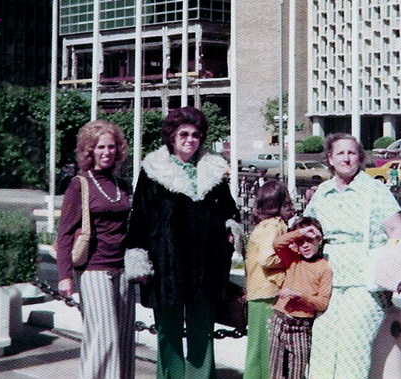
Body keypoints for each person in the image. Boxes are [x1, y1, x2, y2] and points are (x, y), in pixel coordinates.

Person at [124, 106, 240, 379]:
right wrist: (138, 258)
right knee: (168, 333)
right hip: (167, 266)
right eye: (184, 134)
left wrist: (229, 235)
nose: (190, 139)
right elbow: (139, 217)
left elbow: (230, 210)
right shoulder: (153, 170)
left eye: (196, 135)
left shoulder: (214, 169)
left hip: (206, 265)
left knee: (203, 331)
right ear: (171, 137)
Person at [303, 133, 401, 379]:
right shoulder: (323, 192)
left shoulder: (375, 190)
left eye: (352, 153)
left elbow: (397, 230)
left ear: (360, 157)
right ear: (330, 158)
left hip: (366, 281)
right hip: (329, 280)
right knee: (323, 343)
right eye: (340, 153)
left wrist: (399, 273)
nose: (346, 158)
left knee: (353, 344)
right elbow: (308, 228)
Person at [56, 120, 135, 379]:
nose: (106, 152)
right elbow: (65, 232)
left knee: (123, 339)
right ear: (89, 151)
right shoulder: (80, 184)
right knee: (103, 336)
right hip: (94, 269)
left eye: (111, 147)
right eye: (100, 147)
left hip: (122, 269)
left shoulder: (121, 185)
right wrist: (64, 275)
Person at [269, 217, 332, 379]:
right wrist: (300, 232)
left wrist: (301, 296)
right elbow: (277, 243)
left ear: (319, 239)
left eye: (309, 240)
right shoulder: (292, 258)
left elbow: (322, 303)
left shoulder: (324, 267)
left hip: (301, 326)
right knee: (275, 371)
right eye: (300, 241)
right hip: (280, 319)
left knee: (297, 372)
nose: (304, 245)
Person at [244, 180, 295, 379]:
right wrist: (291, 257)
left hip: (258, 291)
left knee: (257, 346)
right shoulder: (274, 226)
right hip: (269, 292)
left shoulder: (262, 225)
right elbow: (267, 258)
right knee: (267, 349)